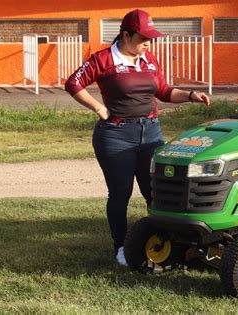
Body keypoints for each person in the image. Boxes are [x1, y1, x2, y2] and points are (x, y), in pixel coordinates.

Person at [65, 9, 210, 266]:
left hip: (151, 133)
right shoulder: (104, 59)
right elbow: (73, 83)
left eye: (150, 39)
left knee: (156, 192)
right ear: (125, 35)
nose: (148, 43)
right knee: (121, 193)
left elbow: (164, 91)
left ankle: (163, 245)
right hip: (116, 136)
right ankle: (121, 246)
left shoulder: (149, 59)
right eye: (143, 38)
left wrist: (190, 95)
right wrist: (99, 108)